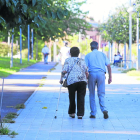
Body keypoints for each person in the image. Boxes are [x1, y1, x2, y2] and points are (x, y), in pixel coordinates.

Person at [85, 41, 112, 119]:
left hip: (92, 74)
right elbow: (109, 66)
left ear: (91, 48)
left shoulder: (88, 55)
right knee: (101, 93)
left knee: (92, 94)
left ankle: (93, 113)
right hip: (101, 74)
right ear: (97, 47)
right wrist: (110, 77)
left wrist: (86, 78)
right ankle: (104, 109)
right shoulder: (103, 54)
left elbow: (85, 68)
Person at [60, 47, 88, 119]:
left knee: (71, 97)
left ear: (70, 53)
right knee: (81, 97)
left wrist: (61, 79)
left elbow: (64, 71)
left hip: (72, 81)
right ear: (78, 53)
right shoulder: (82, 60)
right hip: (82, 80)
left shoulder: (68, 60)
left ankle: (72, 113)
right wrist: (87, 79)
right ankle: (80, 114)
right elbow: (86, 71)